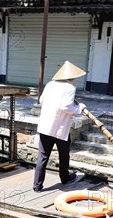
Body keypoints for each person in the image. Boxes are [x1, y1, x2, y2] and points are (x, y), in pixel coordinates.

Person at [33, 61, 87, 192]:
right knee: (64, 154)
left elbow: (41, 100)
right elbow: (66, 107)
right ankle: (64, 177)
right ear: (71, 77)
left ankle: (37, 186)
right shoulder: (69, 88)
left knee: (43, 156)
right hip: (59, 128)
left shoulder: (50, 84)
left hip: (46, 126)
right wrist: (79, 108)